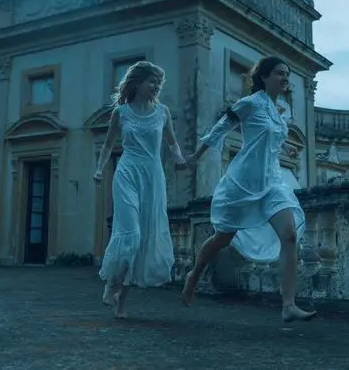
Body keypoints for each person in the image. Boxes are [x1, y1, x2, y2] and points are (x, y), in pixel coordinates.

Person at [180, 56, 317, 322]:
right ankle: (194, 275)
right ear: (264, 77)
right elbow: (220, 128)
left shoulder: (278, 111)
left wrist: (287, 148)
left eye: (287, 74)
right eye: (280, 73)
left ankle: (288, 304)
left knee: (289, 235)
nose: (285, 78)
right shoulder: (249, 103)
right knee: (222, 238)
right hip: (243, 182)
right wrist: (195, 157)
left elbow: (272, 138)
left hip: (273, 181)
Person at [93, 61, 187, 319]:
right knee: (131, 235)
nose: (156, 86)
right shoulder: (121, 112)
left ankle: (121, 303)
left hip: (153, 178)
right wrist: (100, 169)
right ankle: (111, 284)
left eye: (159, 82)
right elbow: (107, 145)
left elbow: (172, 144)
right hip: (127, 173)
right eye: (152, 81)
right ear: (137, 83)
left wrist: (179, 158)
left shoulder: (162, 112)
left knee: (143, 242)